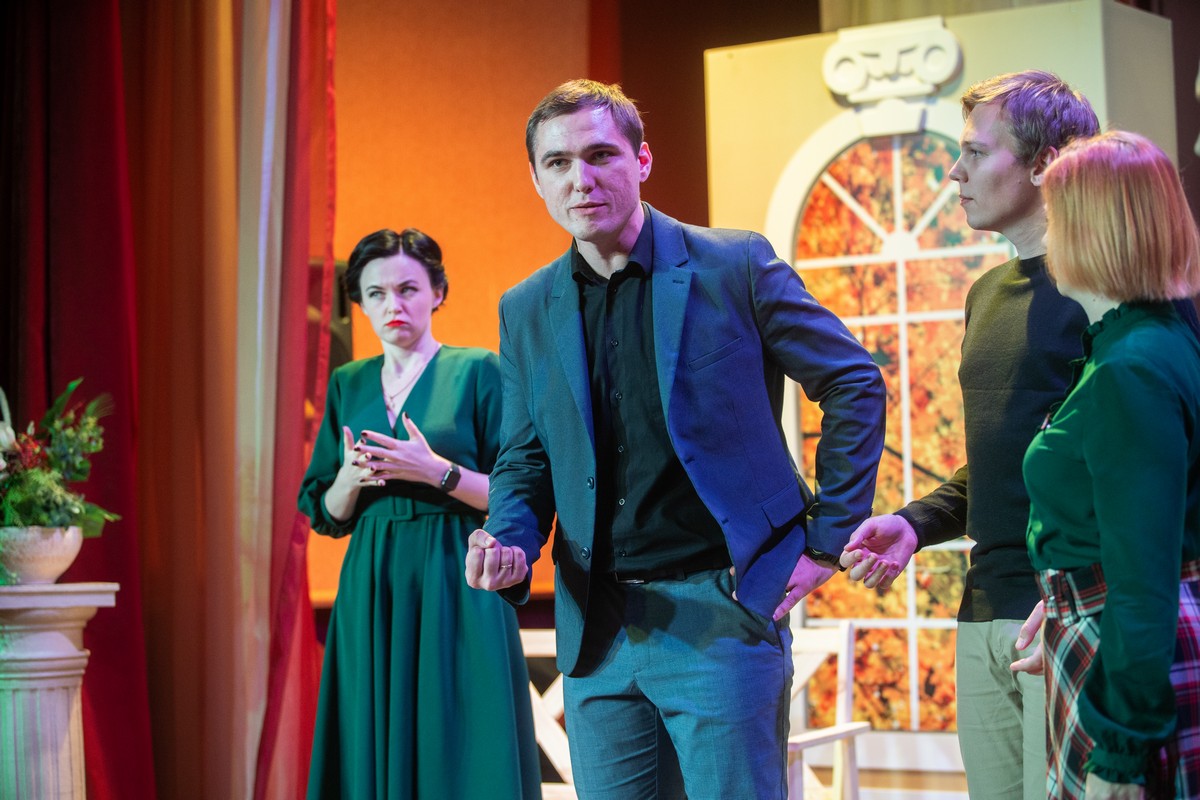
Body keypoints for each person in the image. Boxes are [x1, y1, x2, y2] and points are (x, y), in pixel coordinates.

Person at [463, 79, 886, 799]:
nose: (580, 178)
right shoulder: (526, 307)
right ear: (536, 179)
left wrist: (827, 539)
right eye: (558, 163)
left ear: (642, 160)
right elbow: (526, 454)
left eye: (600, 155)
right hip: (597, 628)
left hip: (721, 610)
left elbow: (853, 382)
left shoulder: (734, 264)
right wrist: (508, 537)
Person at [839, 70, 1100, 800]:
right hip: (984, 608)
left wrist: (1089, 593)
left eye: (976, 152)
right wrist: (914, 524)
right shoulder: (986, 294)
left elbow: (1136, 469)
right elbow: (1006, 463)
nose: (954, 171)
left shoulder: (1106, 293)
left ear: (1045, 163)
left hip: (1068, 610)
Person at [298, 228, 541, 799]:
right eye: (375, 293)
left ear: (437, 292)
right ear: (360, 303)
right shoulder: (348, 383)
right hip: (373, 579)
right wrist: (348, 480)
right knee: (370, 733)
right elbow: (326, 514)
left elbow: (517, 491)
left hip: (459, 571)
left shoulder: (478, 371)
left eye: (407, 289)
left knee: (460, 733)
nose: (393, 305)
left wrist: (437, 471)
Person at [1023, 130, 1200, 800]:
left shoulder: (1132, 366)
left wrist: (1121, 751)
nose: (1047, 238)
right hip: (1112, 644)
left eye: (1055, 219)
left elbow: (1143, 574)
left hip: (1126, 663)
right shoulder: (1149, 343)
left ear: (1092, 232)